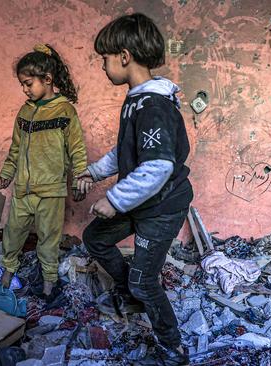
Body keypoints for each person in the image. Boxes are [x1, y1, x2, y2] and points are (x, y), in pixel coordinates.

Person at [76, 13, 194, 366]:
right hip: (144, 201)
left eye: (105, 59)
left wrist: (114, 200)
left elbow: (158, 166)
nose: (102, 66)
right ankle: (131, 293)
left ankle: (172, 348)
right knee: (95, 238)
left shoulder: (153, 105)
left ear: (124, 57)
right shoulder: (137, 100)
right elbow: (126, 151)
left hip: (162, 207)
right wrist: (93, 172)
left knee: (145, 281)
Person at [0, 44, 88, 297]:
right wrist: (7, 172)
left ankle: (49, 283)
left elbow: (77, 149)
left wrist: (79, 179)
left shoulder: (65, 111)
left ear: (47, 80)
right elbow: (16, 147)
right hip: (23, 190)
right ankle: (7, 274)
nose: (25, 90)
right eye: (22, 85)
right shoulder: (25, 111)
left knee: (48, 240)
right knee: (13, 234)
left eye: (28, 84)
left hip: (51, 192)